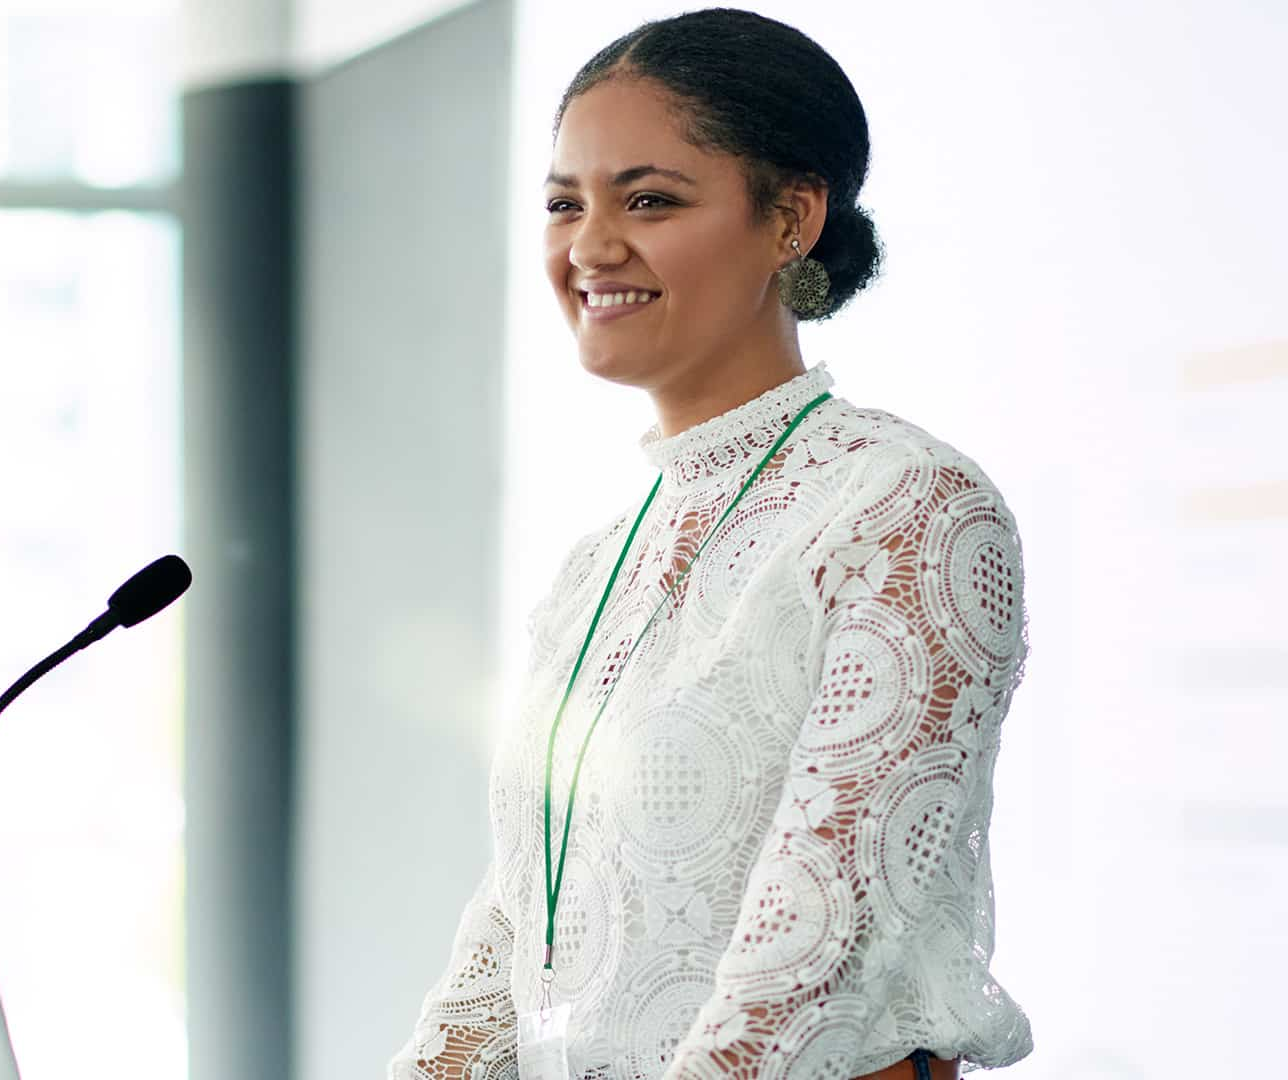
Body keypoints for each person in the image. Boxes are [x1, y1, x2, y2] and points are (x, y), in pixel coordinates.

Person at [385, 9, 1033, 1080]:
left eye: (649, 200)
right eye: (564, 204)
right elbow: (515, 926)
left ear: (791, 219)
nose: (590, 244)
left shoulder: (906, 507)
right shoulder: (598, 562)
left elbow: (813, 962)